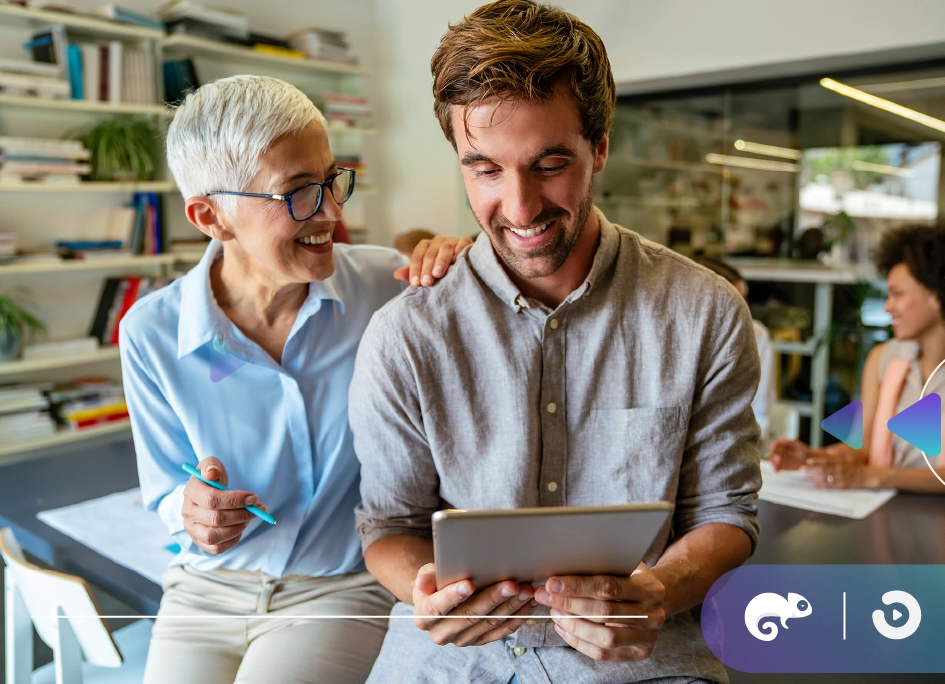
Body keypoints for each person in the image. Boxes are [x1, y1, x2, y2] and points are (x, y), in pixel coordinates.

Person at [348, 2, 762, 682]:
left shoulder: (703, 312)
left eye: (548, 164)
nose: (518, 208)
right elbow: (388, 525)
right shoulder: (406, 333)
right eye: (484, 168)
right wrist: (426, 586)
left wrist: (658, 590)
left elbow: (725, 512)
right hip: (451, 661)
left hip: (641, 661)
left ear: (598, 148)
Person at [120, 75, 469, 684]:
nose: (333, 213)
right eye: (299, 193)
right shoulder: (150, 331)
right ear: (211, 216)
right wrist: (191, 509)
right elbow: (163, 487)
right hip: (204, 591)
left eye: (332, 180)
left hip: (336, 591)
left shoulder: (389, 289)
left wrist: (460, 262)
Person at [770, 221, 945, 494]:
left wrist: (872, 477)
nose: (888, 307)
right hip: (879, 513)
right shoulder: (883, 359)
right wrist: (816, 459)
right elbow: (863, 448)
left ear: (939, 296)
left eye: (897, 294)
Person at [692, 255, 776, 446]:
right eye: (735, 301)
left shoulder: (757, 335)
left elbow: (761, 413)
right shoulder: (681, 341)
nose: (744, 309)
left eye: (745, 299)